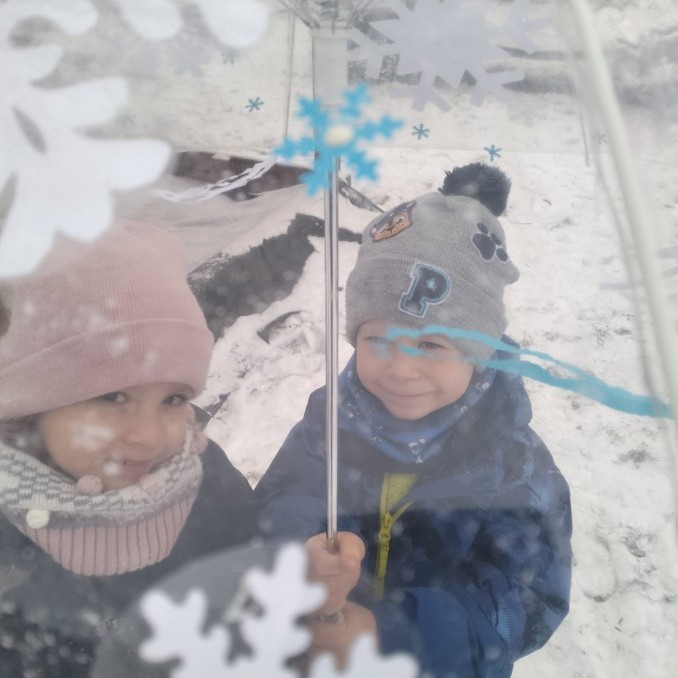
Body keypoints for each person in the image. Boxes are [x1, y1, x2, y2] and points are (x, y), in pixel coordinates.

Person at [255, 164, 573, 677]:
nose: (401, 370)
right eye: (378, 339)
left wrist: (393, 636)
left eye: (430, 344)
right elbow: (277, 506)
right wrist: (302, 556)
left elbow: (530, 603)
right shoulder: (327, 425)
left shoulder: (513, 466)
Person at [0, 221, 255, 677]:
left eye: (172, 399)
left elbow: (252, 583)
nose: (148, 436)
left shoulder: (204, 476)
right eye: (112, 396)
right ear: (35, 402)